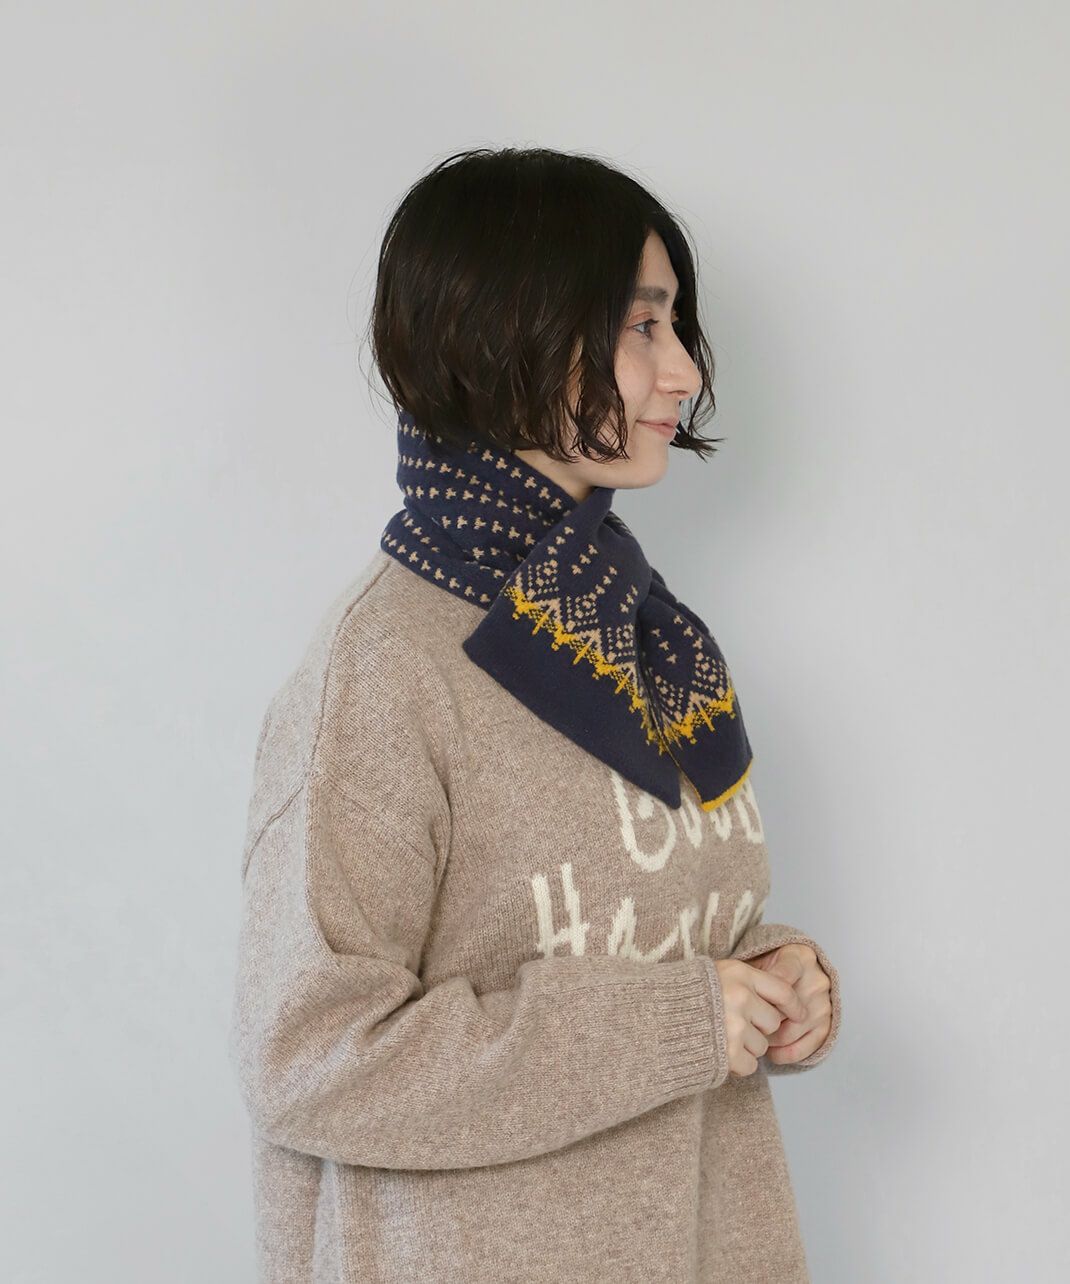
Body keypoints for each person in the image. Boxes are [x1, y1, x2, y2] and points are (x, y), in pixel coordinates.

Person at [228, 146, 841, 1283]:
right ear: (508, 333)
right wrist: (676, 1023)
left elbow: (635, 941)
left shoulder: (634, 628)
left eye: (676, 326)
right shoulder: (384, 670)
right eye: (641, 326)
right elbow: (309, 1056)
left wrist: (769, 975)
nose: (683, 372)